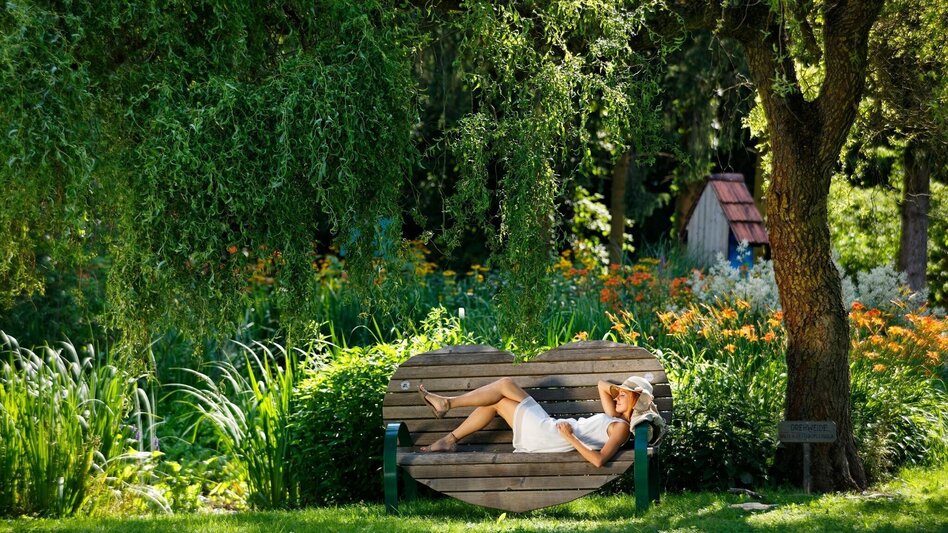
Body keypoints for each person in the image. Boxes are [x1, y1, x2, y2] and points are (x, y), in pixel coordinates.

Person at [418, 375, 656, 467]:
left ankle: (447, 404)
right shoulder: (615, 418)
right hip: (550, 430)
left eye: (623, 395)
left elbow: (599, 460)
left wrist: (570, 437)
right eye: (618, 393)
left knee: (505, 385)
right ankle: (449, 439)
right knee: (496, 401)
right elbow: (602, 385)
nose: (617, 396)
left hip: (552, 434)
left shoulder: (621, 428)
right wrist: (624, 392)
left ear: (636, 401)